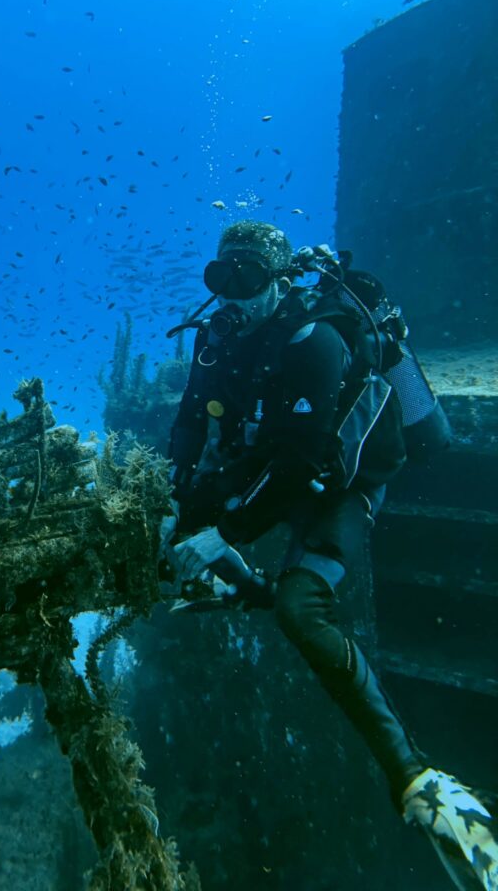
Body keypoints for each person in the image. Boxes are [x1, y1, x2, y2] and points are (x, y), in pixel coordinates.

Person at [163, 220, 497, 891]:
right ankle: (246, 585)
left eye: (249, 278)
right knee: (180, 536)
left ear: (279, 279)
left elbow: (305, 461)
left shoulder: (313, 340)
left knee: (301, 608)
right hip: (272, 461)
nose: (234, 295)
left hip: (341, 479)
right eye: (222, 278)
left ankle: (417, 777)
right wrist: (180, 504)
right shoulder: (217, 338)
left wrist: (223, 534)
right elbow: (193, 422)